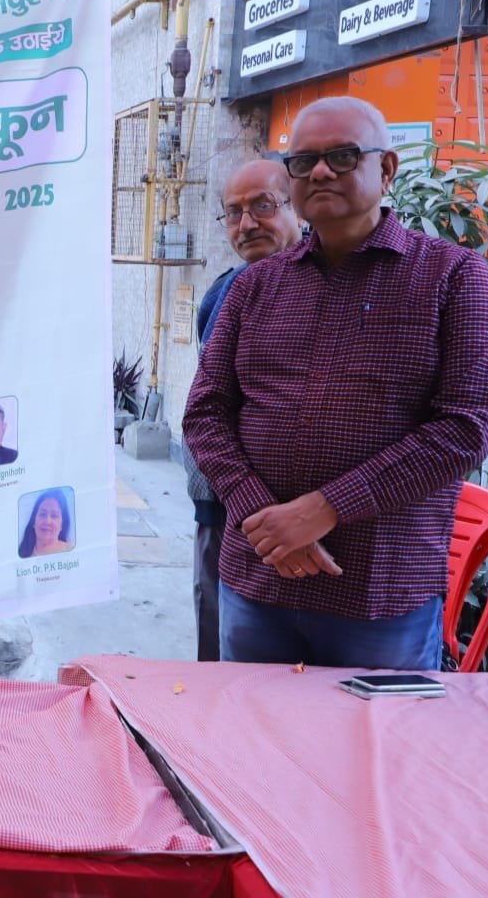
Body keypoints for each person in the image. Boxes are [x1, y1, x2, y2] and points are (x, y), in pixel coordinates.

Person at [184, 97, 488, 670]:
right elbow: (205, 415)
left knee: (373, 751)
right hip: (257, 579)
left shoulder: (454, 276)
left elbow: (465, 428)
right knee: (249, 746)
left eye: (342, 155)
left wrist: (324, 508)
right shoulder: (256, 288)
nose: (322, 172)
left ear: (385, 170)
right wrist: (265, 517)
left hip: (379, 593)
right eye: (304, 162)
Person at [181, 159, 302, 661]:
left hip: (304, 514)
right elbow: (210, 407)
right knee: (222, 652)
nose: (246, 224)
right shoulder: (226, 291)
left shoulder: (318, 288)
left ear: (298, 207)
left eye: (263, 206)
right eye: (233, 213)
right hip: (224, 506)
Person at [18, 489, 74, 557]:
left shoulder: (72, 551)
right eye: (43, 514)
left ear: (62, 524)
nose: (48, 521)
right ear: (34, 521)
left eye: (54, 515)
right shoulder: (21, 554)